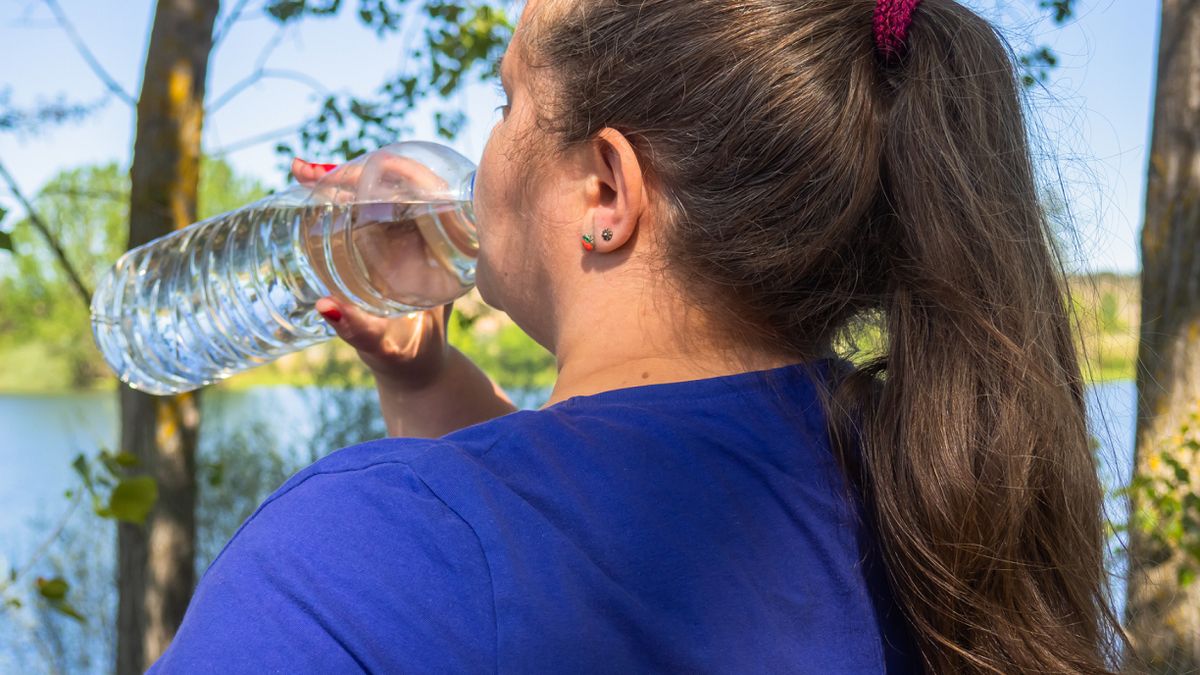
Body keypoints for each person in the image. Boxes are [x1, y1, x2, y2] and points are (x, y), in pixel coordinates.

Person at [149, 0, 1124, 672]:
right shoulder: (943, 486)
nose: (479, 145)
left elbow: (495, 557)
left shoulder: (342, 555)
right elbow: (569, 535)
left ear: (608, 191)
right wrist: (424, 379)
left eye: (507, 101)